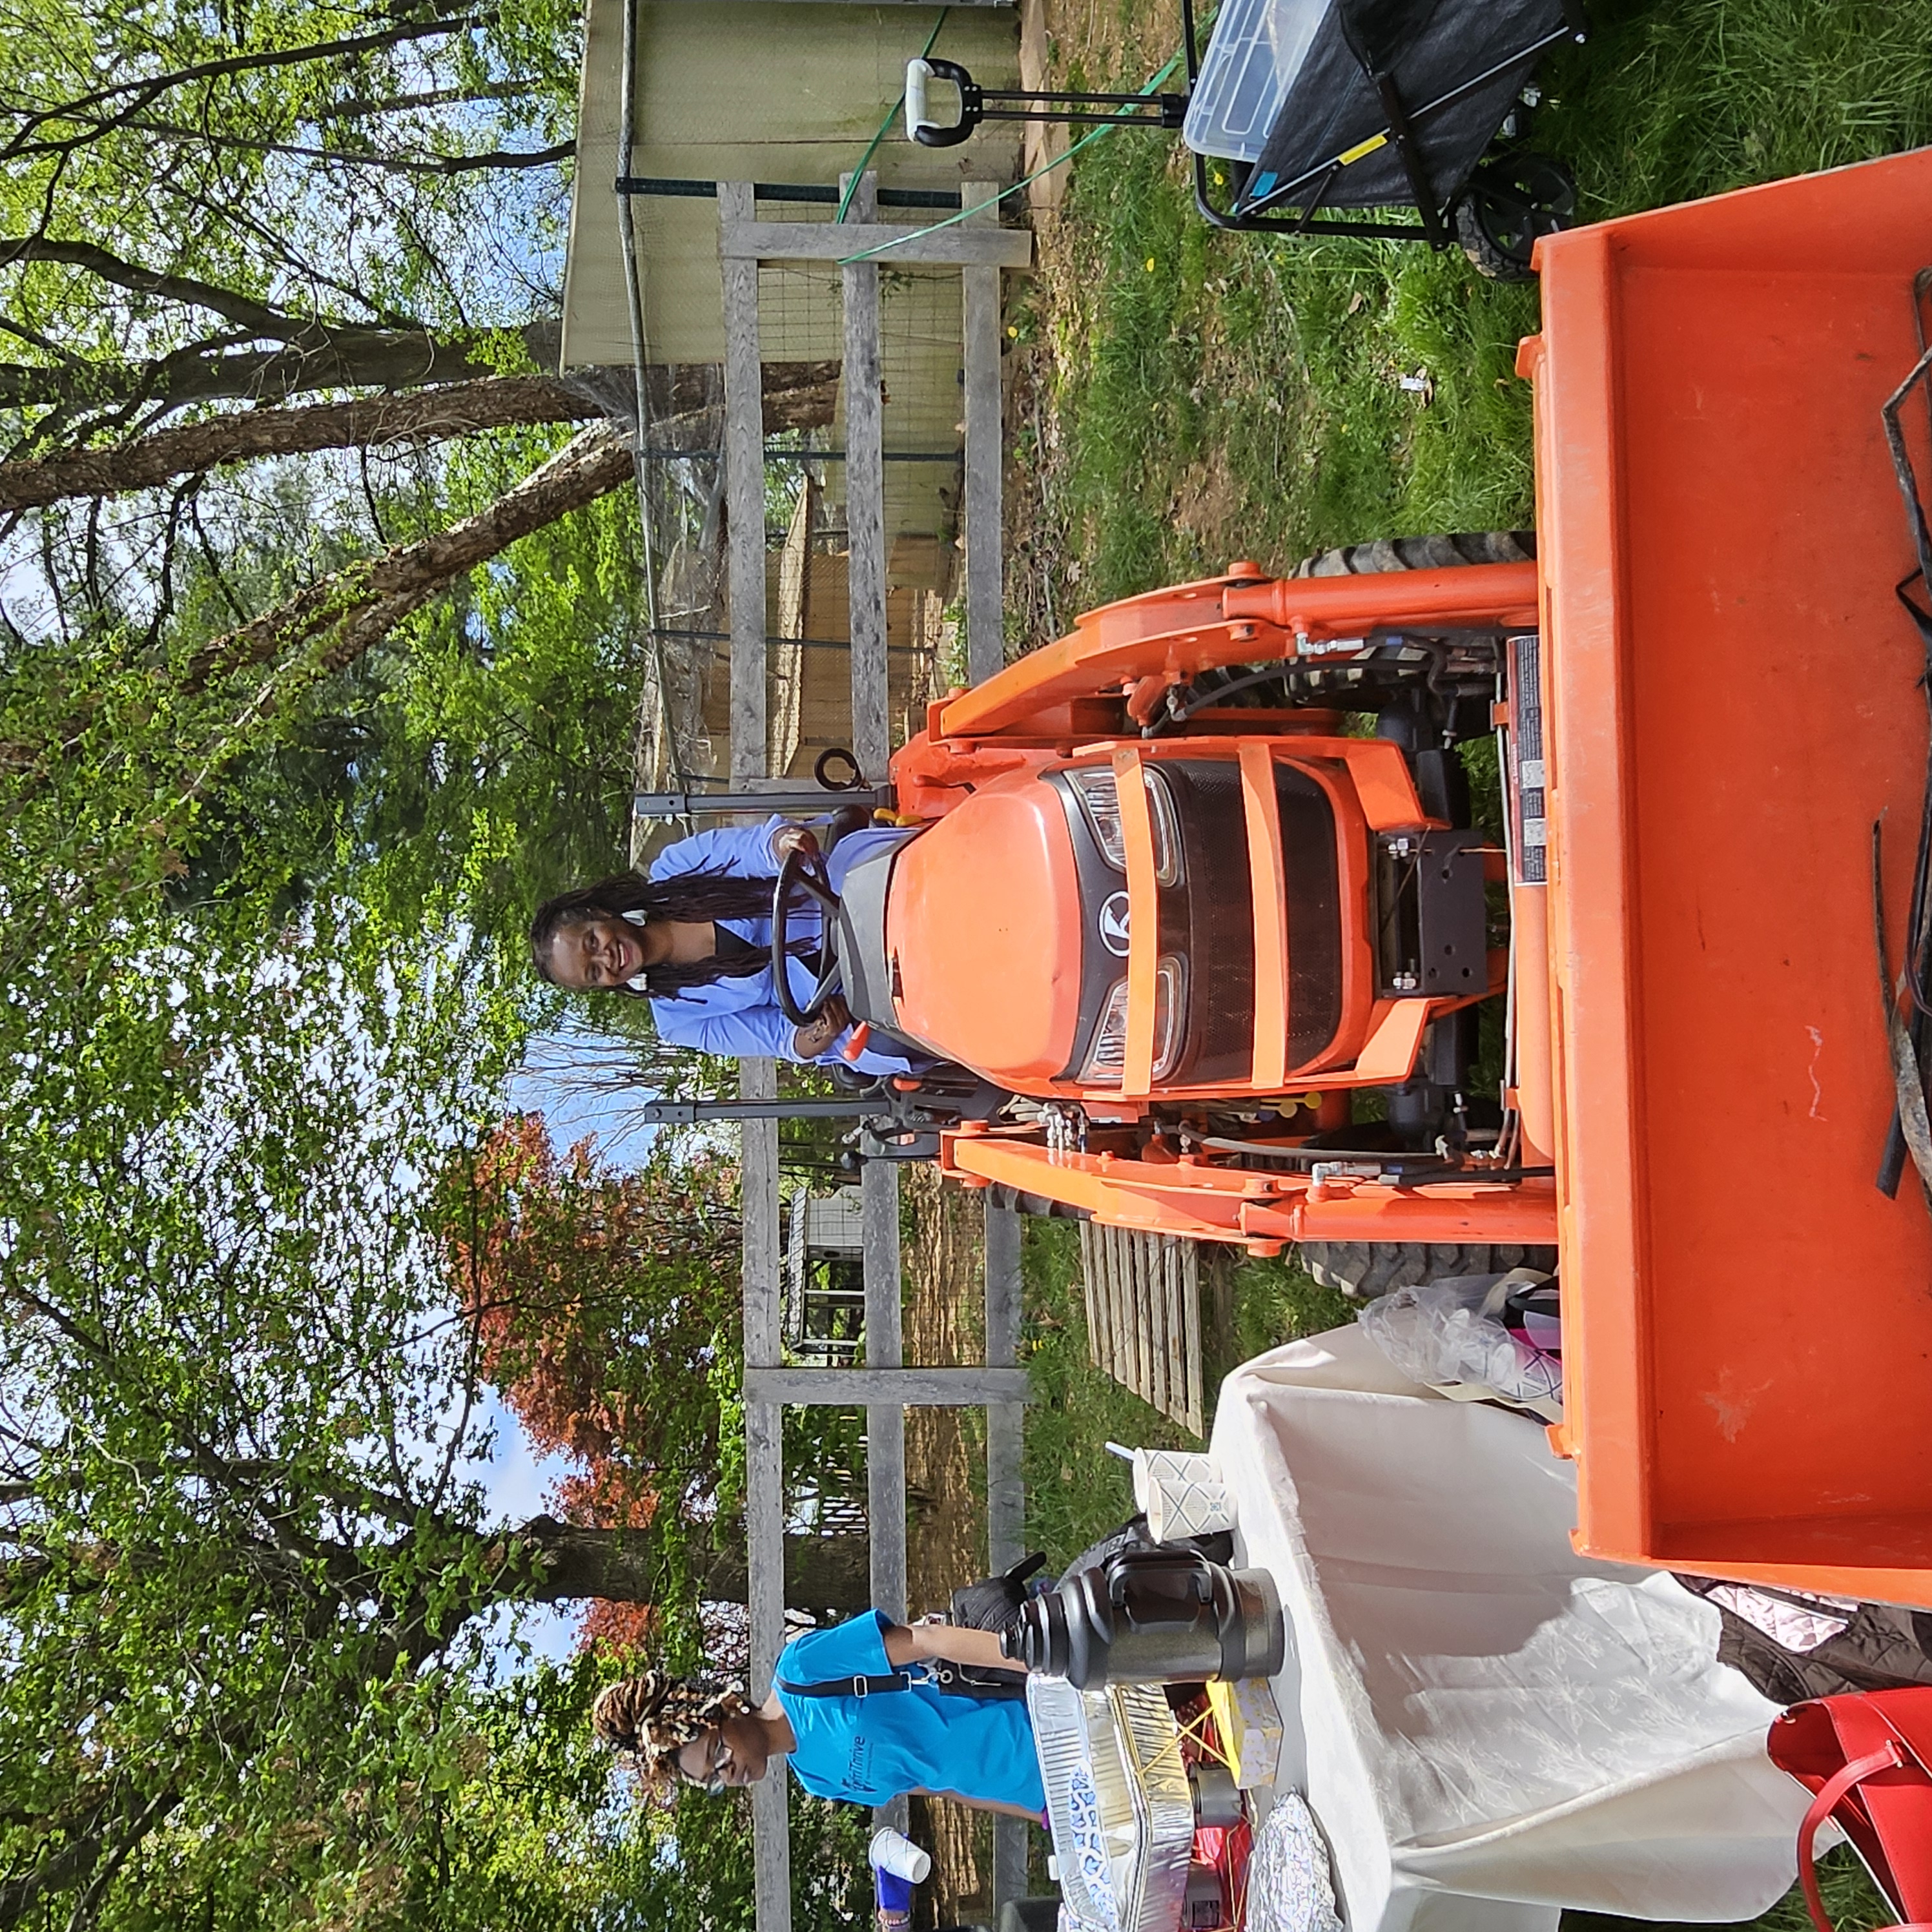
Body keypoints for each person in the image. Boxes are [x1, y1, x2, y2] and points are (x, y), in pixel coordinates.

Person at [530, 814, 921, 1076]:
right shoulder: (676, 1020)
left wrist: (779, 845)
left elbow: (750, 849)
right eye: (594, 971)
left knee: (880, 858)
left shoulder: (673, 869)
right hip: (845, 993)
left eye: (592, 941)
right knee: (894, 1043)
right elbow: (779, 1039)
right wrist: (817, 1033)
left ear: (598, 913)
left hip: (842, 891)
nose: (606, 957)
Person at [590, 1609, 1045, 1820]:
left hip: (1035, 1716)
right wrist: (1040, 1816)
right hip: (1041, 1791)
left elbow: (928, 1641)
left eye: (718, 1753)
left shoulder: (802, 1671)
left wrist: (1043, 1662)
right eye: (714, 1778)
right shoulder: (816, 1779)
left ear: (723, 1710)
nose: (728, 1774)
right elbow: (937, 1784)